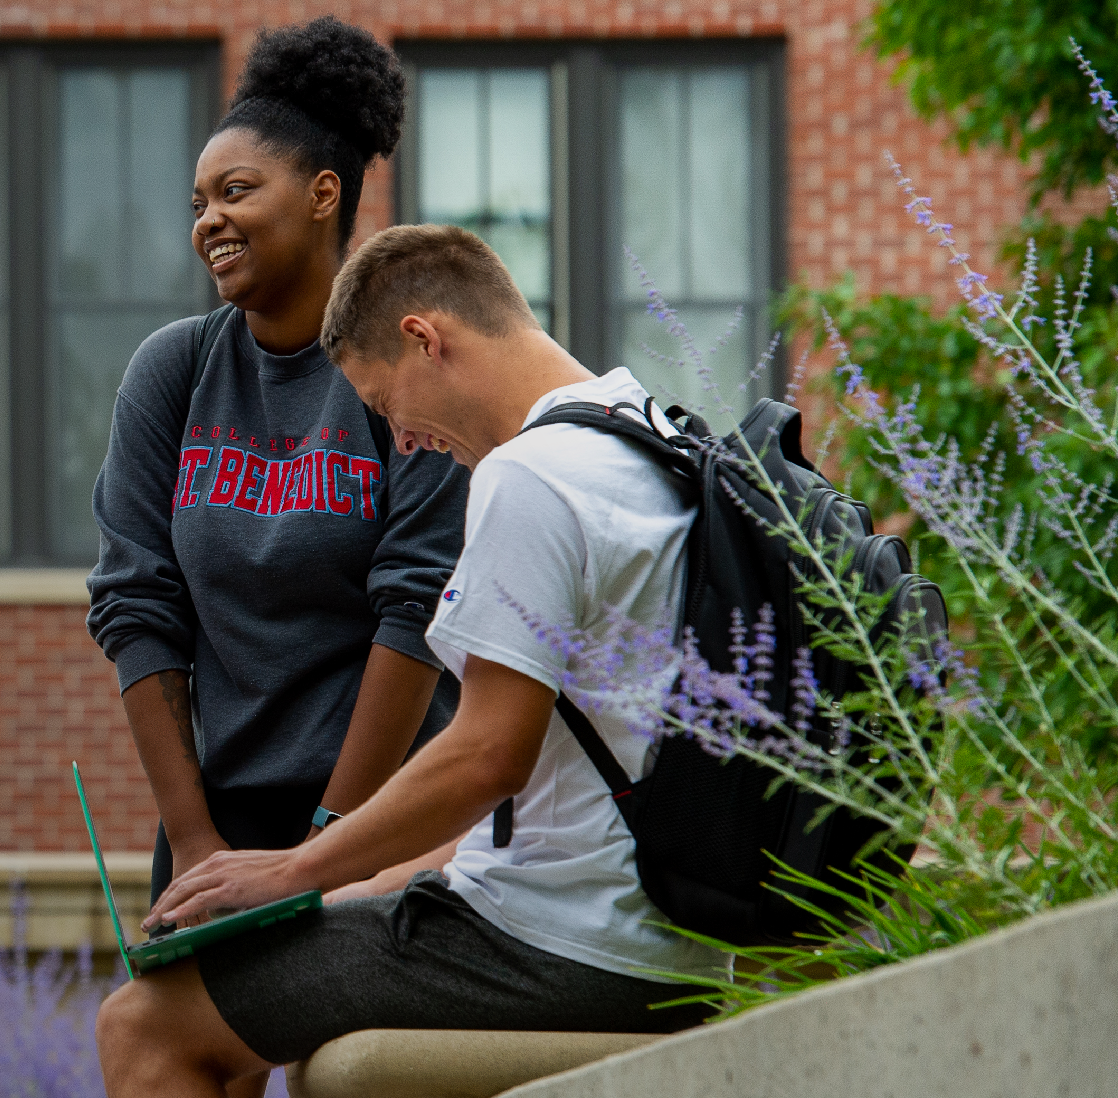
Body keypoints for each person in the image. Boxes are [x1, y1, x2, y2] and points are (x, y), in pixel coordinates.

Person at [95, 224, 726, 1096]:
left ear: (423, 339)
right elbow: (551, 799)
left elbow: (486, 756)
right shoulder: (657, 437)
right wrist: (332, 892)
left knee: (145, 1023)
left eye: (387, 405)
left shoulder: (530, 476)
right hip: (667, 935)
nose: (404, 443)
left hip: (563, 946)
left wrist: (295, 868)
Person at [86, 17, 468, 919]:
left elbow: (417, 607)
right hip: (215, 817)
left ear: (323, 193)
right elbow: (135, 605)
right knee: (170, 1051)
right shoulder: (174, 372)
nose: (209, 218)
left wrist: (332, 843)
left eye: (237, 190)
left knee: (344, 1060)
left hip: (386, 807)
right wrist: (193, 839)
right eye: (198, 203)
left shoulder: (407, 369)